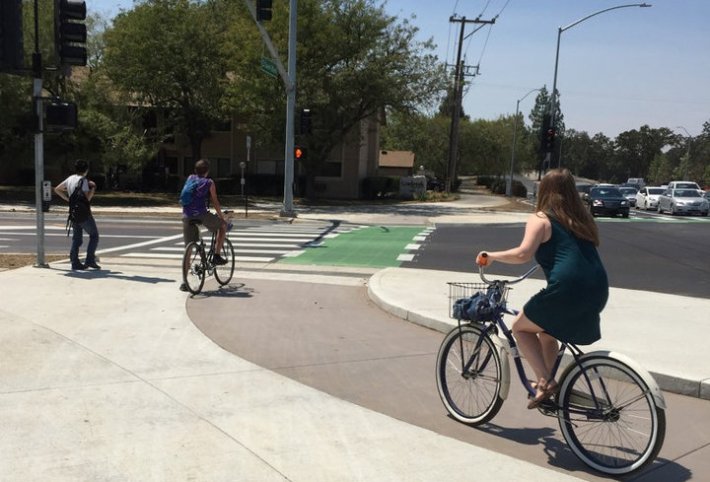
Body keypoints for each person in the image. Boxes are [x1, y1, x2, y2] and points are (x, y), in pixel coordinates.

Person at [476, 168, 608, 409]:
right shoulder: (582, 220)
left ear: (544, 191)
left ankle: (545, 381)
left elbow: (523, 254)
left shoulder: (541, 218)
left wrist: (492, 256)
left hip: (567, 288)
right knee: (547, 333)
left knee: (520, 328)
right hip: (598, 288)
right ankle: (545, 388)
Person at [180, 159, 228, 291]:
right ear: (207, 171)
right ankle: (217, 256)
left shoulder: (190, 178)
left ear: (195, 170)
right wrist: (221, 218)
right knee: (222, 227)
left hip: (186, 216)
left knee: (188, 250)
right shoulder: (209, 182)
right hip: (201, 215)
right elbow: (215, 202)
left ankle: (184, 282)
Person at [54, 159, 101, 270]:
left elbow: (57, 189)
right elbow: (86, 199)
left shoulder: (70, 178)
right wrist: (92, 189)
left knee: (77, 238)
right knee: (94, 235)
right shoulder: (83, 181)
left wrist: (68, 199)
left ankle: (74, 262)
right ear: (86, 170)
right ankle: (90, 260)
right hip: (84, 213)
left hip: (73, 212)